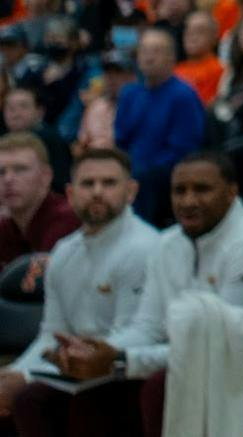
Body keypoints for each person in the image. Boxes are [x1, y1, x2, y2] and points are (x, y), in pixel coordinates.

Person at [34, 152, 243, 434]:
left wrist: (119, 361)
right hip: (176, 361)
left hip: (237, 365)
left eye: (202, 189)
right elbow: (147, 327)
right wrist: (104, 352)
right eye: (179, 191)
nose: (188, 201)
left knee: (154, 386)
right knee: (51, 397)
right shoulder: (168, 243)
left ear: (232, 192)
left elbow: (215, 343)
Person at [1, 149, 156, 430]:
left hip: (125, 371)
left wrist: (32, 375)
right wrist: (16, 373)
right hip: (73, 370)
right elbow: (51, 333)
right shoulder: (64, 251)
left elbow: (138, 335)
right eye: (88, 184)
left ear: (131, 191)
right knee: (22, 398)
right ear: (70, 194)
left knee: (70, 399)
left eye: (109, 183)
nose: (97, 192)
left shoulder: (144, 247)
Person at [112, 26, 206, 224]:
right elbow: (120, 141)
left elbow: (184, 150)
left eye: (156, 51)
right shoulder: (129, 93)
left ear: (172, 58)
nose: (149, 57)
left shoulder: (183, 96)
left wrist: (138, 174)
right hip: (131, 171)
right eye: (144, 51)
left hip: (165, 177)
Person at [0, 132, 78, 264]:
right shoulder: (6, 227)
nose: (8, 179)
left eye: (20, 169)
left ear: (46, 176)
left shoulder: (68, 221)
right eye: (1, 172)